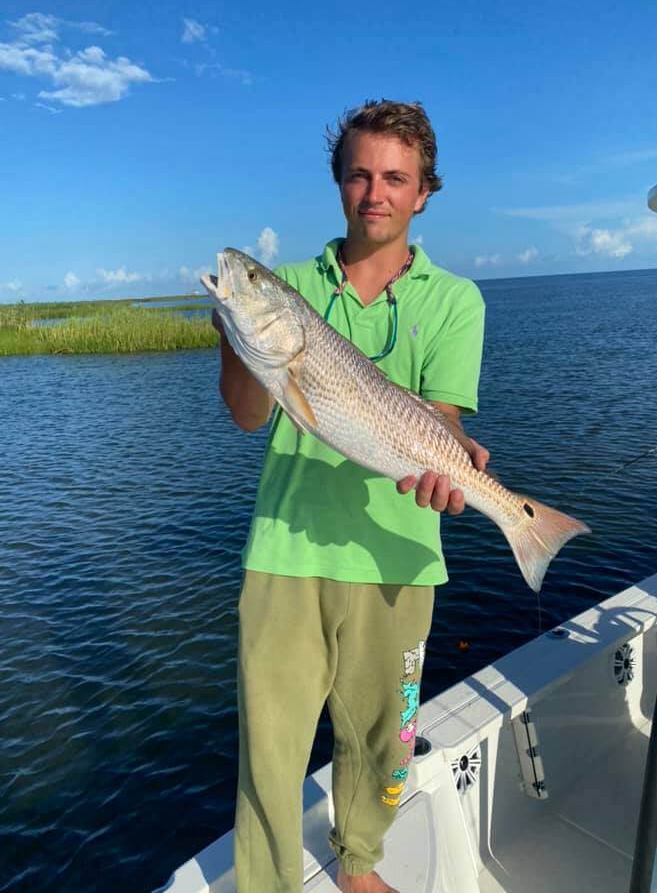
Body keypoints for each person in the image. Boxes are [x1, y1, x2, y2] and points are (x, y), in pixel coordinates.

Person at [214, 100, 488, 893]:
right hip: (286, 553)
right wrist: (236, 328)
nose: (377, 192)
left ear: (424, 192)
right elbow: (246, 414)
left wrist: (455, 463)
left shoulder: (456, 300)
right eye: (361, 174)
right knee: (268, 742)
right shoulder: (289, 290)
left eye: (396, 178)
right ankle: (268, 882)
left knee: (384, 737)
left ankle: (359, 860)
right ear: (339, 183)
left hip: (400, 554)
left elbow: (439, 420)